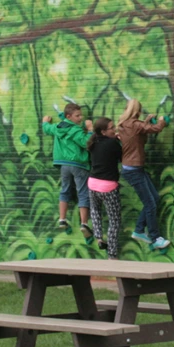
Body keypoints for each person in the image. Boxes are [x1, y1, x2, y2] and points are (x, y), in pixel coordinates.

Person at [116, 99, 170, 250]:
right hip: (133, 170)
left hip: (133, 168)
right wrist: (161, 121)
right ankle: (155, 238)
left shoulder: (124, 125)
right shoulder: (135, 125)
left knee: (154, 199)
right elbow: (156, 128)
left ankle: (139, 230)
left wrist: (145, 122)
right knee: (150, 204)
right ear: (137, 111)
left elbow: (139, 138)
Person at [42, 102, 93, 239]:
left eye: (81, 115)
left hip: (64, 165)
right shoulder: (75, 130)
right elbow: (86, 143)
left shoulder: (58, 127)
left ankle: (62, 219)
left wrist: (45, 122)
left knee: (65, 190)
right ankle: (84, 224)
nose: (81, 118)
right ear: (69, 116)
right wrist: (90, 130)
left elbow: (48, 129)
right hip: (78, 165)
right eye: (77, 116)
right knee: (83, 192)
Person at [87, 117, 122, 259]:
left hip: (92, 183)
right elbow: (122, 157)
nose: (114, 129)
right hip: (108, 186)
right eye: (112, 128)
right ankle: (112, 254)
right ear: (103, 131)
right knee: (114, 220)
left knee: (95, 211)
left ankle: (99, 238)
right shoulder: (113, 143)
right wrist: (119, 141)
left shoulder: (93, 142)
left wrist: (114, 138)